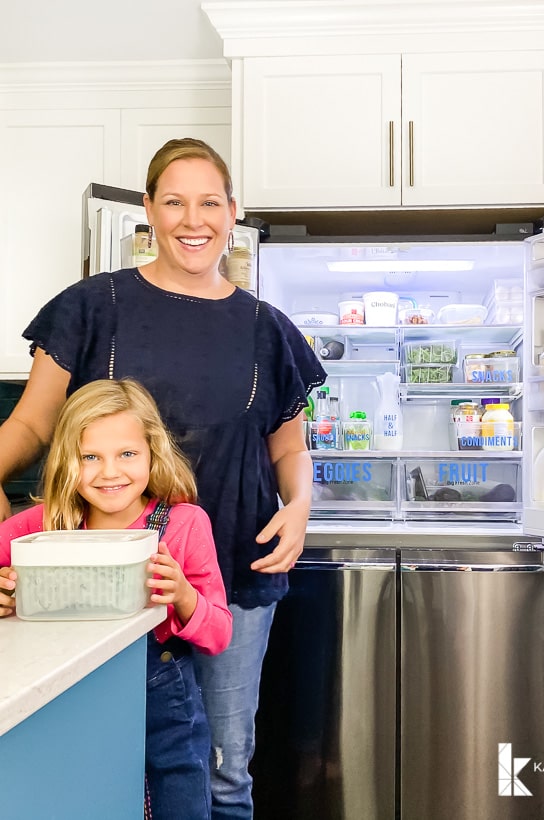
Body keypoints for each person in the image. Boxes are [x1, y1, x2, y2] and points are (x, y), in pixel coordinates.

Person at [0, 137, 326, 819]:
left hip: (234, 571)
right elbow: (29, 428)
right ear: (148, 210)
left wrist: (300, 503)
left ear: (232, 211)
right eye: (173, 202)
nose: (192, 219)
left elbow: (288, 448)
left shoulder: (268, 329)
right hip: (100, 585)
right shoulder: (92, 307)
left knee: (223, 769)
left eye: (209, 202)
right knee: (110, 767)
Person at [0, 378, 233, 820]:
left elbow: (219, 634)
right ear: (68, 460)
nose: (110, 472)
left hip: (169, 720)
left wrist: (183, 595)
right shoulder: (40, 527)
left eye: (127, 454)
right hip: (74, 710)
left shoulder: (184, 525)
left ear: (152, 452)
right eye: (90, 457)